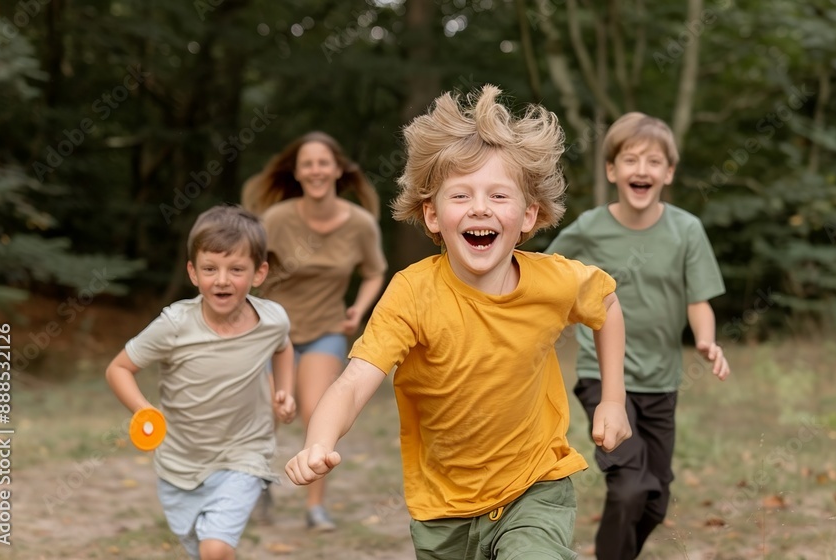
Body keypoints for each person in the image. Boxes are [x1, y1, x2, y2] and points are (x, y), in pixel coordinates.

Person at [284, 85, 632, 559]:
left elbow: (607, 306)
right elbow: (353, 382)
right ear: (432, 214)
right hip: (443, 508)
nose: (480, 208)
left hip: (535, 485)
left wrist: (613, 399)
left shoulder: (555, 281)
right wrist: (317, 441)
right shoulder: (412, 293)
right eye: (461, 195)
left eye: (499, 195)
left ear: (529, 214)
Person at [545, 112, 731, 560]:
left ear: (668, 172)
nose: (641, 170)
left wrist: (707, 339)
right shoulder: (591, 227)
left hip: (662, 381)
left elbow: (699, 298)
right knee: (629, 485)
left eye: (653, 161)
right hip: (603, 375)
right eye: (630, 160)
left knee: (655, 498)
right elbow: (546, 275)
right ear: (612, 170)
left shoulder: (686, 230)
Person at [105, 205, 296, 560]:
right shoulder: (174, 325)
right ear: (193, 272)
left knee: (215, 548)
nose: (222, 280)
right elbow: (118, 368)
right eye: (210, 269)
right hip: (179, 463)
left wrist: (284, 390)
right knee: (204, 551)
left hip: (245, 452)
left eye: (236, 269)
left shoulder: (272, 320)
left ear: (259, 272)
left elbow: (283, 348)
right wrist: (144, 410)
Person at [241, 131, 387, 530]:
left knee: (317, 415)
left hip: (326, 328)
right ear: (298, 172)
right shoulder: (277, 219)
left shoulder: (359, 224)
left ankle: (314, 507)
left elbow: (374, 271)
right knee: (268, 413)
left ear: (338, 169)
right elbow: (249, 263)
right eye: (308, 163)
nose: (316, 170)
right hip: (274, 333)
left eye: (324, 162)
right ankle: (259, 485)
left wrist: (359, 307)